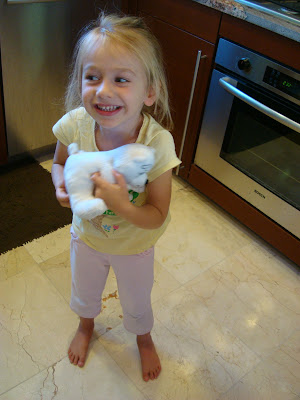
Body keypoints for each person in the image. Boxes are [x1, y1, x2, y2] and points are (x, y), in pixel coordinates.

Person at [51, 12, 181, 382]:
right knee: (84, 291)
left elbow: (157, 213)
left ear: (150, 91)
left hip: (135, 245)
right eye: (92, 77)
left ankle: (142, 337)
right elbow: (59, 164)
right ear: (80, 81)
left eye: (121, 79)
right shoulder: (76, 123)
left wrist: (123, 205)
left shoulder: (156, 145)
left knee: (137, 300)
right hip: (87, 237)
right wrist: (61, 187)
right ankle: (86, 324)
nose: (103, 91)